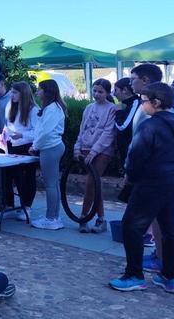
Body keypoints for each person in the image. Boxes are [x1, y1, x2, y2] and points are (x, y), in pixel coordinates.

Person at [110, 82, 174, 294]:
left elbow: (136, 157)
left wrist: (131, 178)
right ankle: (171, 277)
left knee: (131, 226)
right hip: (173, 179)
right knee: (170, 229)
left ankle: (134, 275)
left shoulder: (149, 125)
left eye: (144, 101)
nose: (142, 105)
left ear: (156, 102)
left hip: (151, 181)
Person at [73, 78, 116, 233]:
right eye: (95, 91)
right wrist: (77, 147)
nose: (97, 94)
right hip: (86, 148)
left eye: (100, 92)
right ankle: (100, 218)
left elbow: (108, 133)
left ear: (107, 93)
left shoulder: (111, 109)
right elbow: (82, 129)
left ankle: (84, 216)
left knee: (91, 183)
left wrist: (94, 151)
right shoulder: (89, 108)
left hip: (102, 151)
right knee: (95, 185)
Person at [29, 79, 67, 230]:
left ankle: (51, 218)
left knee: (50, 185)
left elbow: (45, 131)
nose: (37, 92)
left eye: (40, 90)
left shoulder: (52, 108)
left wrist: (35, 146)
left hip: (50, 148)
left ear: (47, 92)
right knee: (54, 184)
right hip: (51, 147)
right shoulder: (52, 107)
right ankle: (54, 217)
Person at [2, 81, 40, 220]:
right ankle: (9, 206)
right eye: (11, 92)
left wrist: (22, 135)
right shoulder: (10, 106)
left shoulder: (33, 109)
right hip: (12, 146)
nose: (11, 95)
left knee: (26, 178)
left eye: (14, 92)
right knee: (7, 175)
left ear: (23, 93)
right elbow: (8, 126)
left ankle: (26, 207)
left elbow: (38, 132)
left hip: (27, 147)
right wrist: (4, 136)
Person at [113, 77, 140, 171]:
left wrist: (118, 112)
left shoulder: (135, 103)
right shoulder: (128, 104)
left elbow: (123, 127)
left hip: (132, 151)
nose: (114, 94)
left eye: (115, 90)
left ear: (124, 90)